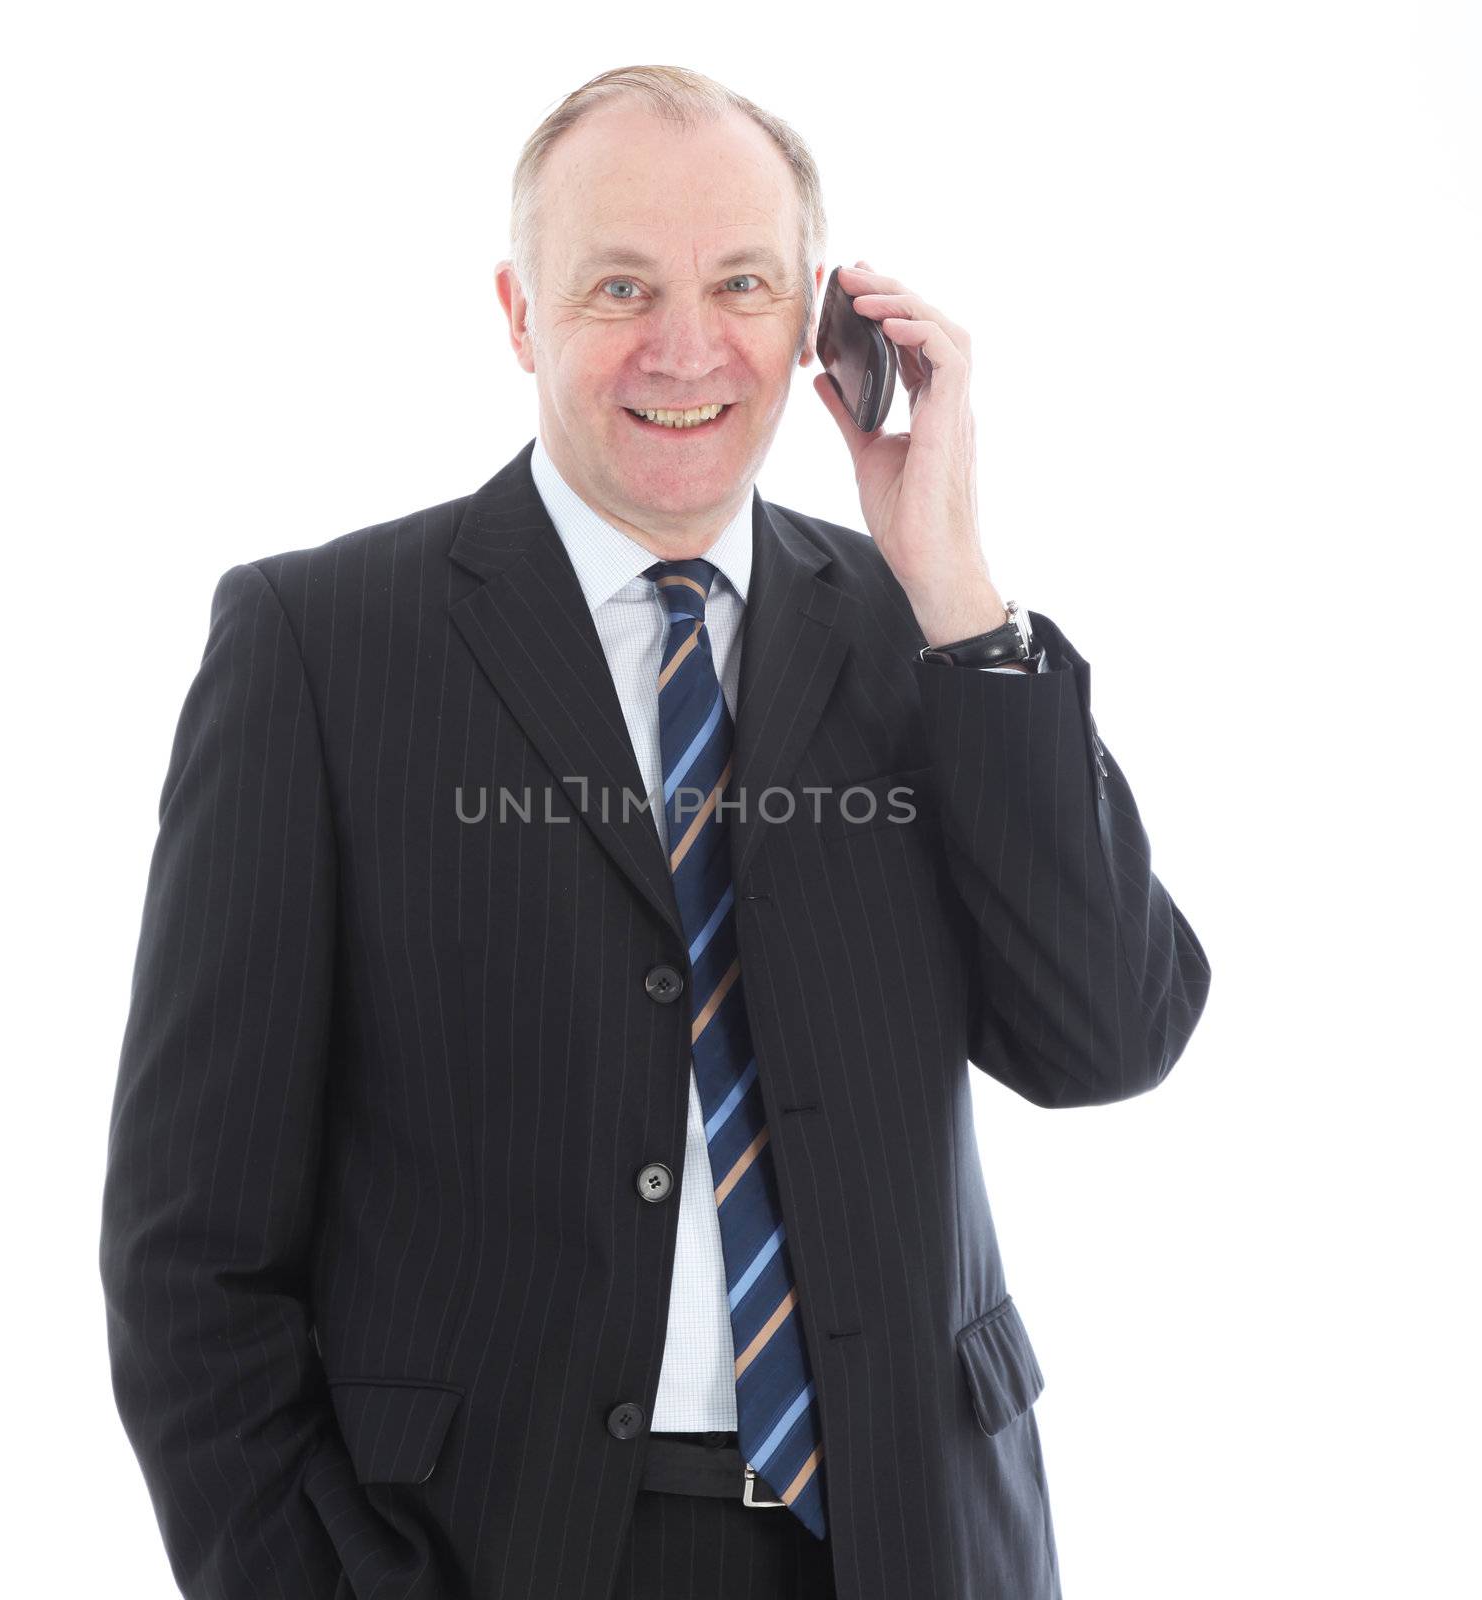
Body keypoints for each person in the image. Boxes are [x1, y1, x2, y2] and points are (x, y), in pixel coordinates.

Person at [99, 62, 1211, 1600]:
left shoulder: (930, 643)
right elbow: (190, 1252)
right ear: (519, 313)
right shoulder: (320, 645)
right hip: (487, 1550)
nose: (687, 348)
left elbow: (1107, 1038)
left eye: (742, 283)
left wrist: (955, 584)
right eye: (621, 284)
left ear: (815, 316)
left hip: (904, 1543)